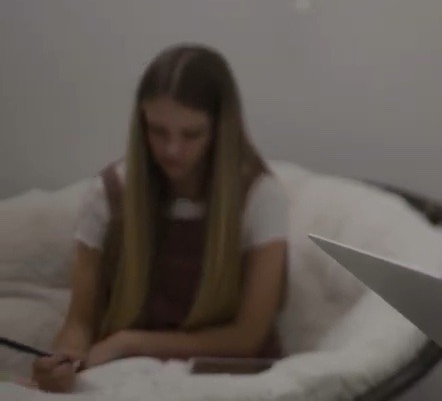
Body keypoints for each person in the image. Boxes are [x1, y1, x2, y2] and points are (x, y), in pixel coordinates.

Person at [29, 44, 289, 393]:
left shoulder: (260, 197)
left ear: (219, 130)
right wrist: (64, 361)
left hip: (230, 383)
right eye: (157, 131)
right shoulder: (108, 195)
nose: (172, 150)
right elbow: (79, 322)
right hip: (128, 383)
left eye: (191, 134)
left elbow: (247, 337)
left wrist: (130, 343)